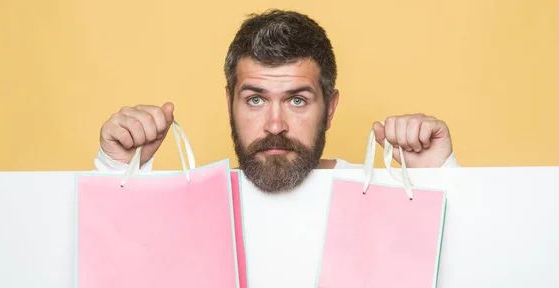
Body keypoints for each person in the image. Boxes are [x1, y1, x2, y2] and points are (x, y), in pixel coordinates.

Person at [94, 9, 458, 193]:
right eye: (255, 100)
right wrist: (117, 171)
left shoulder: (384, 196)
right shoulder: (198, 207)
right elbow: (119, 281)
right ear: (229, 105)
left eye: (297, 101)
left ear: (329, 109)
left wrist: (441, 183)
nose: (274, 125)